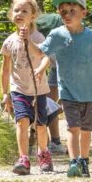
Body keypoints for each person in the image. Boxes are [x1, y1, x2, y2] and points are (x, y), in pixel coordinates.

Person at [33, 0, 92, 178]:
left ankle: (84, 160)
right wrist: (26, 40)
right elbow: (42, 53)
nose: (67, 15)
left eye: (72, 11)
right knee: (72, 128)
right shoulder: (57, 34)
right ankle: (73, 162)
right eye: (63, 12)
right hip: (67, 92)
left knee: (86, 130)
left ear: (84, 13)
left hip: (90, 92)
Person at [0, 0, 59, 174]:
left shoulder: (38, 37)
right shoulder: (9, 41)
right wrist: (5, 93)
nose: (19, 14)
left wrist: (40, 68)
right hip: (18, 89)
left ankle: (43, 153)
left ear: (33, 16)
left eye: (24, 11)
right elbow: (5, 69)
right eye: (16, 10)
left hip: (38, 90)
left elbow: (44, 56)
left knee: (40, 125)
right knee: (22, 122)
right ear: (11, 14)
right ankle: (23, 158)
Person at [36, 12, 66, 153]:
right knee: (51, 105)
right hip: (55, 65)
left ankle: (55, 141)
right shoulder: (40, 33)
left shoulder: (50, 33)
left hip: (61, 65)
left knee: (51, 105)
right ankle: (55, 141)